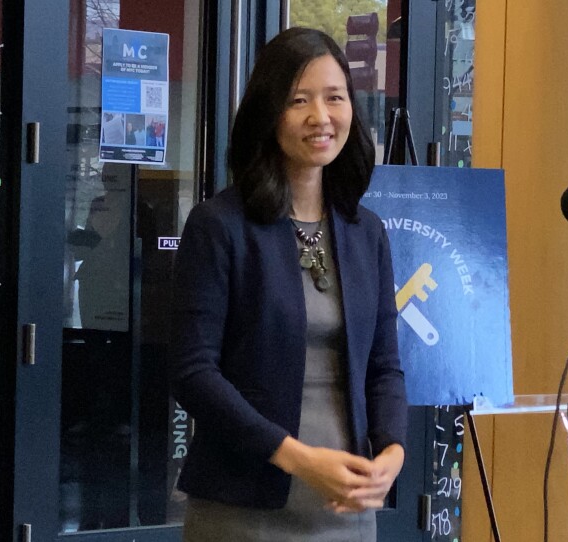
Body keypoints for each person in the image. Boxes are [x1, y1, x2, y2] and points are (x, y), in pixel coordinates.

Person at [170, 27, 407, 542]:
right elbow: (192, 372)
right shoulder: (219, 225)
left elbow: (384, 366)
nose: (321, 117)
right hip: (243, 510)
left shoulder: (366, 232)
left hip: (346, 509)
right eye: (299, 100)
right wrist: (298, 459)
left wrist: (392, 452)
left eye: (335, 98)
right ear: (269, 112)